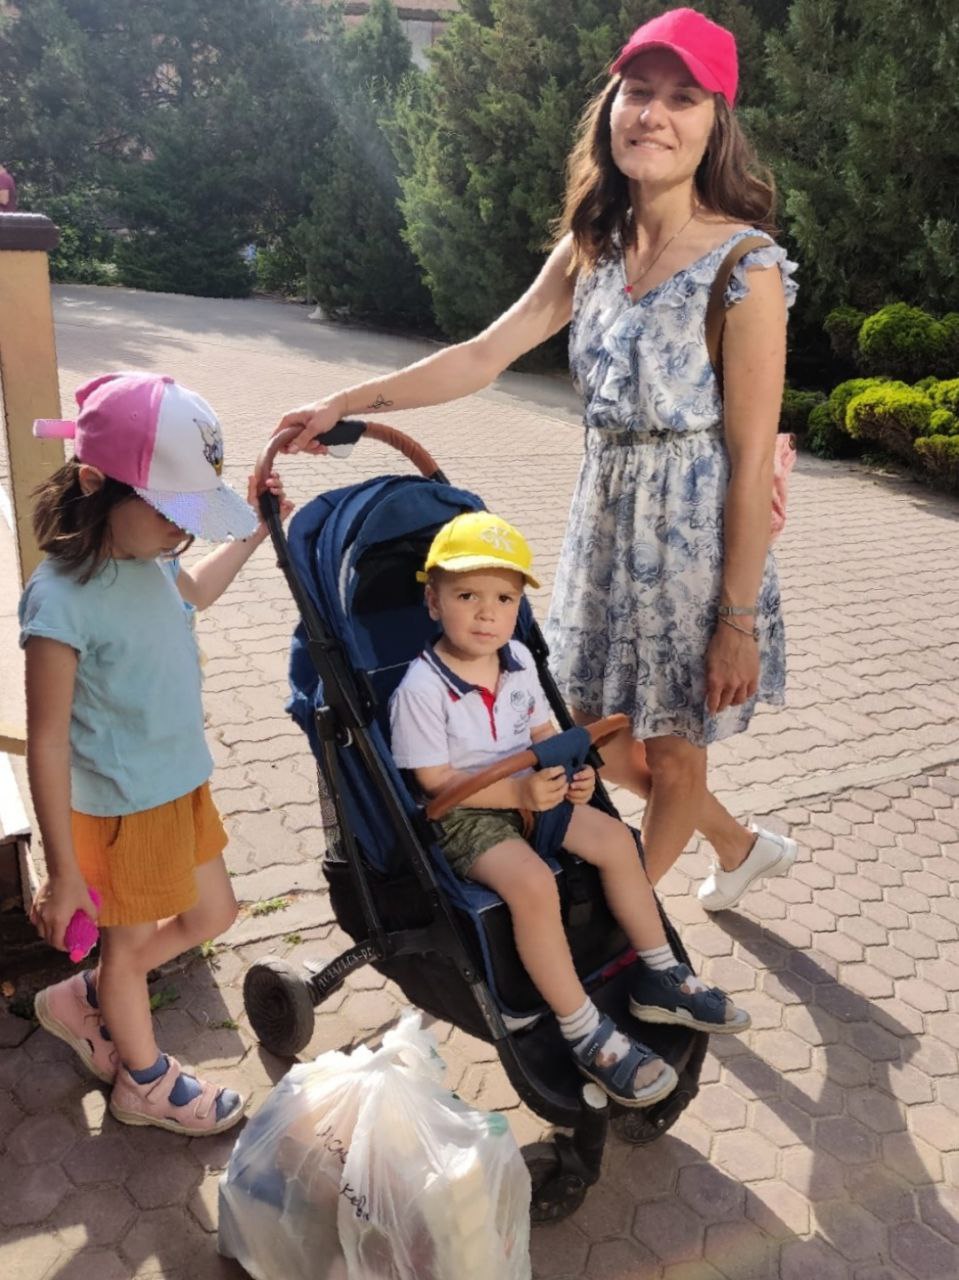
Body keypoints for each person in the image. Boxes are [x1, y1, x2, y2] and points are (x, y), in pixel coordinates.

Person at [274, 8, 798, 908]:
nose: (653, 114)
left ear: (716, 124)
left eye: (682, 98)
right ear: (611, 107)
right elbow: (482, 355)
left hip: (693, 541)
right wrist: (347, 404)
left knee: (674, 754)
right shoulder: (592, 247)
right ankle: (738, 846)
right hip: (604, 524)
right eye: (638, 92)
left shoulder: (743, 268)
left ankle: (629, 941)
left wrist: (737, 619)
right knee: (593, 734)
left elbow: (750, 462)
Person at [390, 511, 749, 1109]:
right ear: (434, 602)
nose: (486, 613)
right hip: (465, 815)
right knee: (533, 884)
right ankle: (583, 1029)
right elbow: (436, 787)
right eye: (467, 596)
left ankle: (660, 972)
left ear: (519, 607)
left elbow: (543, 735)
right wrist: (519, 794)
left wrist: (573, 775)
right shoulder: (421, 690)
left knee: (617, 840)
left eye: (504, 599)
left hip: (532, 793)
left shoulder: (519, 662)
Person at [21, 371, 292, 1136]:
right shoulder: (61, 600)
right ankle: (141, 1081)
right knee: (130, 949)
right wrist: (64, 872)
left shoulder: (153, 560)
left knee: (216, 912)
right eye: (173, 512)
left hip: (180, 787)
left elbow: (194, 592)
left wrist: (253, 532)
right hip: (121, 812)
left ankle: (92, 992)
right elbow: (46, 740)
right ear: (93, 483)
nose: (184, 532)